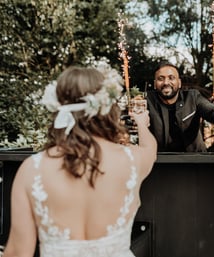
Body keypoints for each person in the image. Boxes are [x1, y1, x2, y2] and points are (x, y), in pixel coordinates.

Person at [3, 66, 157, 257]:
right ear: (107, 106)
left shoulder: (31, 170)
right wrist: (142, 123)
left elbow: (18, 252)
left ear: (59, 105)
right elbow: (150, 149)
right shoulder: (131, 160)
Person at [147, 62, 214, 152]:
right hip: (160, 162)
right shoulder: (147, 100)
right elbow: (132, 120)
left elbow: (213, 114)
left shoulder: (193, 97)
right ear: (154, 84)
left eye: (171, 78)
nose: (166, 82)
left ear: (179, 83)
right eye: (161, 79)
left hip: (195, 160)